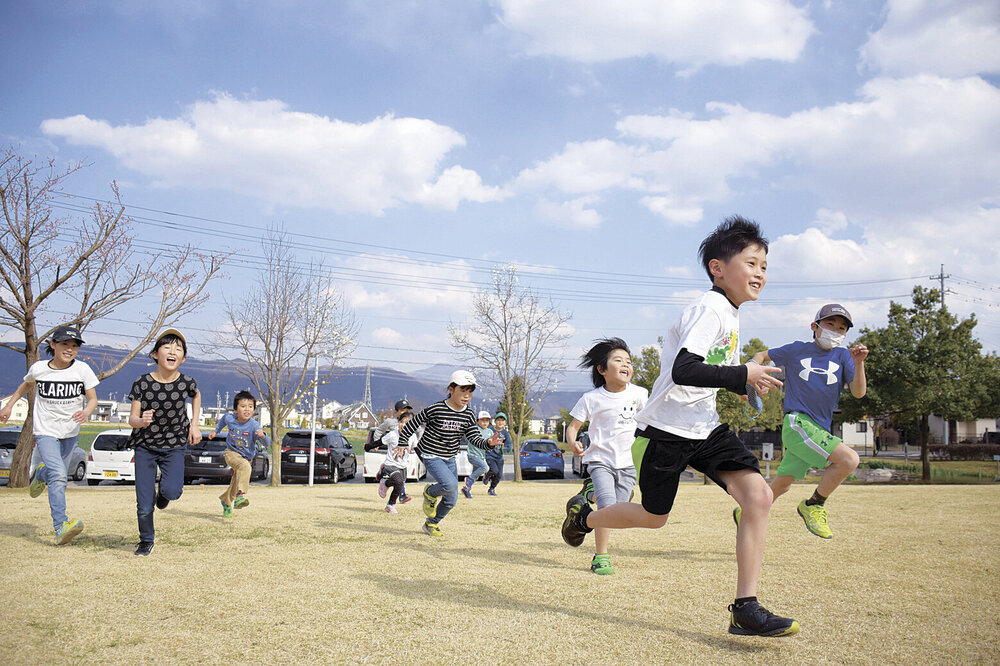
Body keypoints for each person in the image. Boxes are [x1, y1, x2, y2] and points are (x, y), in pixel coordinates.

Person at [560, 215, 800, 637]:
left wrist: (740, 380)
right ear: (718, 268)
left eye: (764, 265)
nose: (760, 273)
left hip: (705, 427)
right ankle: (585, 519)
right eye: (751, 263)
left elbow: (704, 372)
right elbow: (685, 369)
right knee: (655, 518)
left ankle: (745, 607)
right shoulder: (710, 308)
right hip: (666, 432)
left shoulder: (729, 311)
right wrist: (739, 375)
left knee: (758, 496)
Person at [734, 304, 867, 539]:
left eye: (842, 328)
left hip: (819, 428)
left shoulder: (844, 355)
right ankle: (814, 504)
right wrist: (752, 373)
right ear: (815, 327)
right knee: (849, 459)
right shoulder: (796, 350)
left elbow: (858, 392)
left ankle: (745, 511)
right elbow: (762, 355)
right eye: (830, 324)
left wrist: (859, 363)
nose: (836, 330)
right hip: (798, 423)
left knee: (781, 486)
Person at [0, 325, 98, 545]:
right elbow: (25, 386)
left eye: (74, 346)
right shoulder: (39, 368)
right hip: (45, 430)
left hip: (70, 431)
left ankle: (40, 474)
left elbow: (92, 399)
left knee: (56, 475)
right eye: (65, 344)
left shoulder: (82, 370)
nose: (70, 350)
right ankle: (60, 526)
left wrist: (86, 411)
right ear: (53, 345)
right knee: (60, 476)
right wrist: (9, 405)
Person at [565, 337, 648, 575]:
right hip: (600, 460)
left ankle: (587, 494)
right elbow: (573, 427)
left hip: (629, 463)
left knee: (618, 511)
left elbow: (650, 424)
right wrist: (573, 443)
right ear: (602, 369)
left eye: (629, 361)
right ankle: (601, 556)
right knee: (607, 507)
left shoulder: (640, 394)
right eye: (618, 360)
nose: (626, 365)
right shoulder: (592, 398)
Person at [125, 329, 202, 557]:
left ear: (183, 358)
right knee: (144, 502)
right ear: (155, 354)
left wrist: (194, 424)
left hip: (175, 445)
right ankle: (146, 540)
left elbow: (196, 395)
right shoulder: (142, 383)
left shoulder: (186, 382)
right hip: (145, 446)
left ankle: (164, 496)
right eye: (167, 347)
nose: (173, 352)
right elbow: (132, 419)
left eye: (178, 349)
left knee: (173, 491)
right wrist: (141, 420)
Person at [398, 370, 502, 536]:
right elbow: (414, 422)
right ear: (451, 389)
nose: (467, 396)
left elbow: (473, 438)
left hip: (449, 457)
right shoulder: (437, 408)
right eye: (463, 390)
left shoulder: (468, 414)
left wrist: (488, 443)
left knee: (451, 499)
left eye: (470, 392)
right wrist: (403, 441)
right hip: (431, 454)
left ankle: (431, 524)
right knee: (451, 485)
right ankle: (429, 493)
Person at [207, 390, 269, 518]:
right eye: (243, 406)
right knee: (245, 467)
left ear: (254, 410)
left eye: (250, 407)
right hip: (231, 453)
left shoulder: (254, 425)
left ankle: (226, 501)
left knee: (236, 483)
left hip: (247, 457)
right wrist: (216, 431)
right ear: (235, 410)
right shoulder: (230, 418)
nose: (247, 409)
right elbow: (223, 419)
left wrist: (263, 436)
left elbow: (267, 443)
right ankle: (240, 497)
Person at [368, 399, 414, 502]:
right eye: (402, 410)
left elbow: (418, 430)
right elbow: (379, 430)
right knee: (397, 474)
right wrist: (376, 443)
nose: (405, 412)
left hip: (403, 453)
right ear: (396, 412)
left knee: (401, 474)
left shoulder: (410, 422)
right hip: (391, 449)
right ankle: (402, 495)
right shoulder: (390, 422)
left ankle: (383, 472)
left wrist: (418, 438)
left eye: (407, 410)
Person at [377, 410, 415, 513]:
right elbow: (381, 440)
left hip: (402, 465)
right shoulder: (392, 434)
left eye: (406, 423)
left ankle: (390, 504)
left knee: (399, 485)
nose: (403, 425)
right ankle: (384, 475)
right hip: (390, 464)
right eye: (401, 422)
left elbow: (417, 448)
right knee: (398, 481)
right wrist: (374, 445)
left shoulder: (413, 436)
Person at [461, 410, 493, 499]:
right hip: (472, 455)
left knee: (476, 474)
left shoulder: (490, 431)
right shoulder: (474, 429)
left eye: (487, 421)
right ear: (477, 421)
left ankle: (466, 489)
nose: (485, 422)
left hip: (481, 456)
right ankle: (469, 479)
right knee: (485, 468)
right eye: (482, 420)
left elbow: (491, 443)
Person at [482, 412, 511, 495]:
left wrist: (506, 449)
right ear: (495, 421)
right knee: (494, 470)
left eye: (502, 420)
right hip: (490, 455)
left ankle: (491, 489)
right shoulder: (490, 430)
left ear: (505, 423)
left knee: (499, 475)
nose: (500, 422)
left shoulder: (505, 433)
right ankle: (487, 476)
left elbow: (508, 444)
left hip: (499, 457)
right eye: (498, 420)